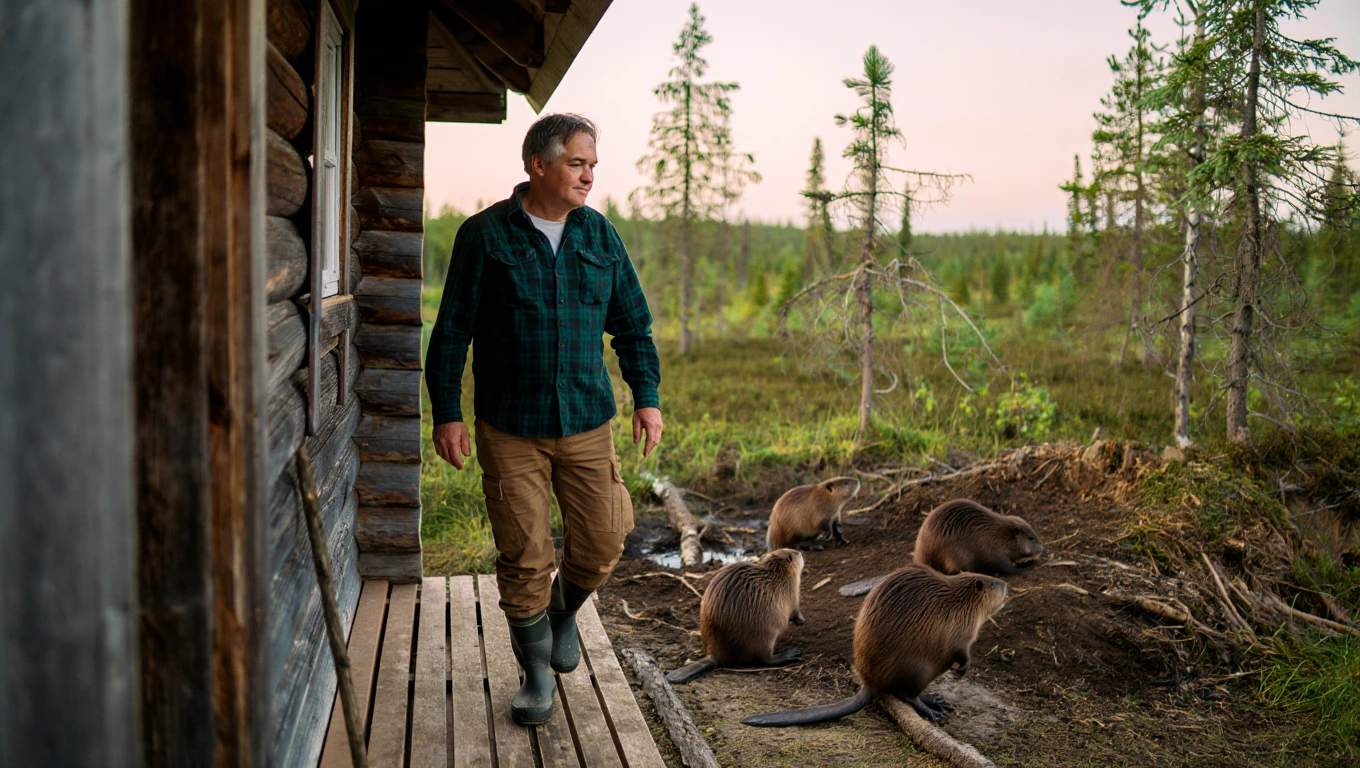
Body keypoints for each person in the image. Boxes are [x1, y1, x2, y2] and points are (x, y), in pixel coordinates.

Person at [425, 113, 663, 725]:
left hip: (586, 418)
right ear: (538, 165)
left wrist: (647, 396)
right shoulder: (485, 236)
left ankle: (562, 613)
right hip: (510, 427)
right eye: (577, 164)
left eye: (592, 165)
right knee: (524, 554)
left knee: (607, 534)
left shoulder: (599, 236)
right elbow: (452, 332)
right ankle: (534, 674)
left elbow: (632, 323)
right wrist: (447, 413)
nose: (589, 176)